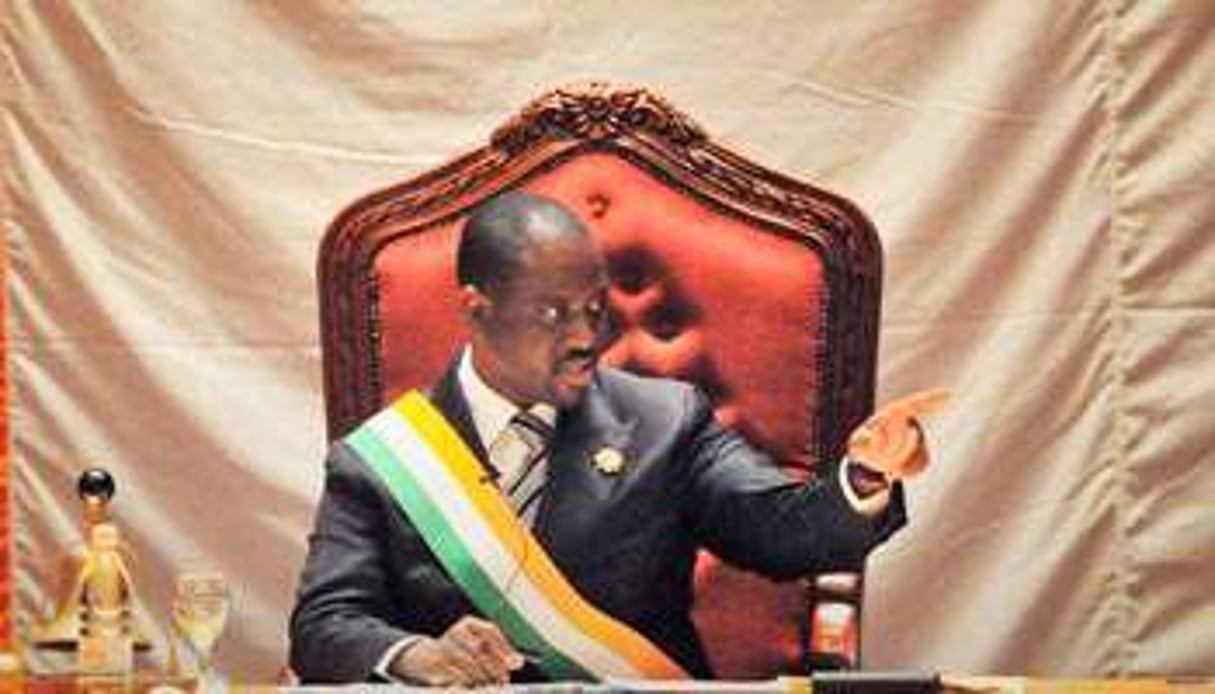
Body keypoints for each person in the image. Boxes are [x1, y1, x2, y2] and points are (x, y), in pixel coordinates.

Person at [289, 191, 939, 687]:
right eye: (551, 313)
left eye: (594, 310)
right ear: (475, 308)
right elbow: (322, 628)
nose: (584, 338)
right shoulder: (383, 459)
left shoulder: (665, 420)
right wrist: (417, 656)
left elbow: (779, 530)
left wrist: (862, 478)